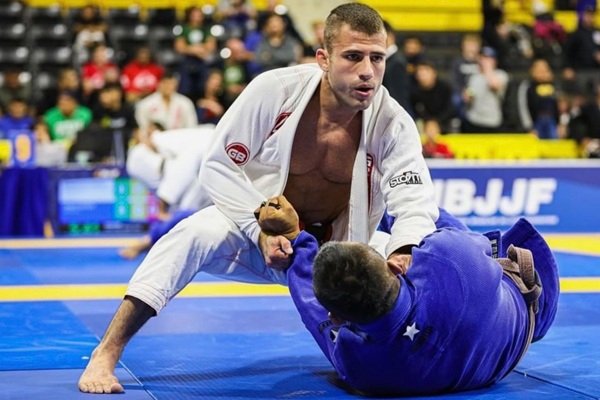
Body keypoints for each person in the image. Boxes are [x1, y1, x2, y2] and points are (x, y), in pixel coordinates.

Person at [78, 3, 439, 393]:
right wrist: (260, 231)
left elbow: (413, 197)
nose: (367, 71)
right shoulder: (276, 91)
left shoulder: (392, 122)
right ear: (323, 59)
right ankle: (106, 353)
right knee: (191, 234)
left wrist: (404, 249)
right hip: (260, 238)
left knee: (423, 262)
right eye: (353, 57)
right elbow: (218, 166)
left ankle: (421, 358)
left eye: (377, 58)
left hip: (339, 255)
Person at [255, 195, 559, 396]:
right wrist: (401, 235)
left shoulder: (357, 365)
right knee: (415, 214)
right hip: (526, 319)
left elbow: (310, 303)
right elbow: (473, 246)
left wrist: (296, 238)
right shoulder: (449, 259)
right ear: (395, 265)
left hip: (491, 358)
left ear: (336, 318)